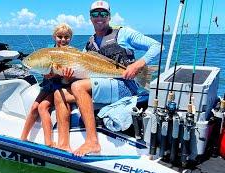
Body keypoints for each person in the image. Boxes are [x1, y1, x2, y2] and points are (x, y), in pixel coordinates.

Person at [54, 0, 162, 156]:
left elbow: (158, 46)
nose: (99, 17)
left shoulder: (124, 33)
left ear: (109, 17)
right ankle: (63, 144)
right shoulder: (89, 45)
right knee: (60, 94)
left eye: (103, 13)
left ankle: (92, 142)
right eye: (95, 14)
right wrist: (66, 78)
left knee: (78, 87)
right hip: (104, 87)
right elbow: (81, 73)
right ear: (90, 18)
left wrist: (137, 65)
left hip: (125, 85)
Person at [20, 23, 74, 147]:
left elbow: (67, 75)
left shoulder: (71, 53)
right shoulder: (48, 51)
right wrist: (46, 74)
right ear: (54, 37)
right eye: (60, 36)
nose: (63, 40)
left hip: (60, 86)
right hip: (47, 85)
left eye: (66, 37)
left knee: (42, 107)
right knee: (34, 106)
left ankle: (48, 142)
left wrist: (60, 75)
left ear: (70, 38)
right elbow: (43, 68)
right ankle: (22, 138)